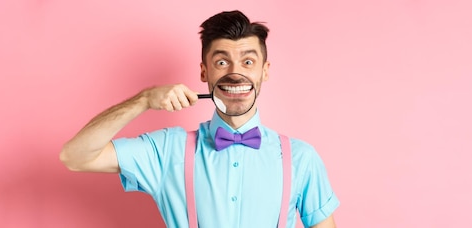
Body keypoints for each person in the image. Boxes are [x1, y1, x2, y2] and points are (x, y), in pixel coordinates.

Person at [60, 10, 339, 227]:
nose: (234, 72)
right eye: (221, 62)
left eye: (248, 61)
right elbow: (75, 156)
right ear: (204, 72)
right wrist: (143, 100)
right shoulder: (168, 150)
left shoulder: (302, 158)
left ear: (265, 71)